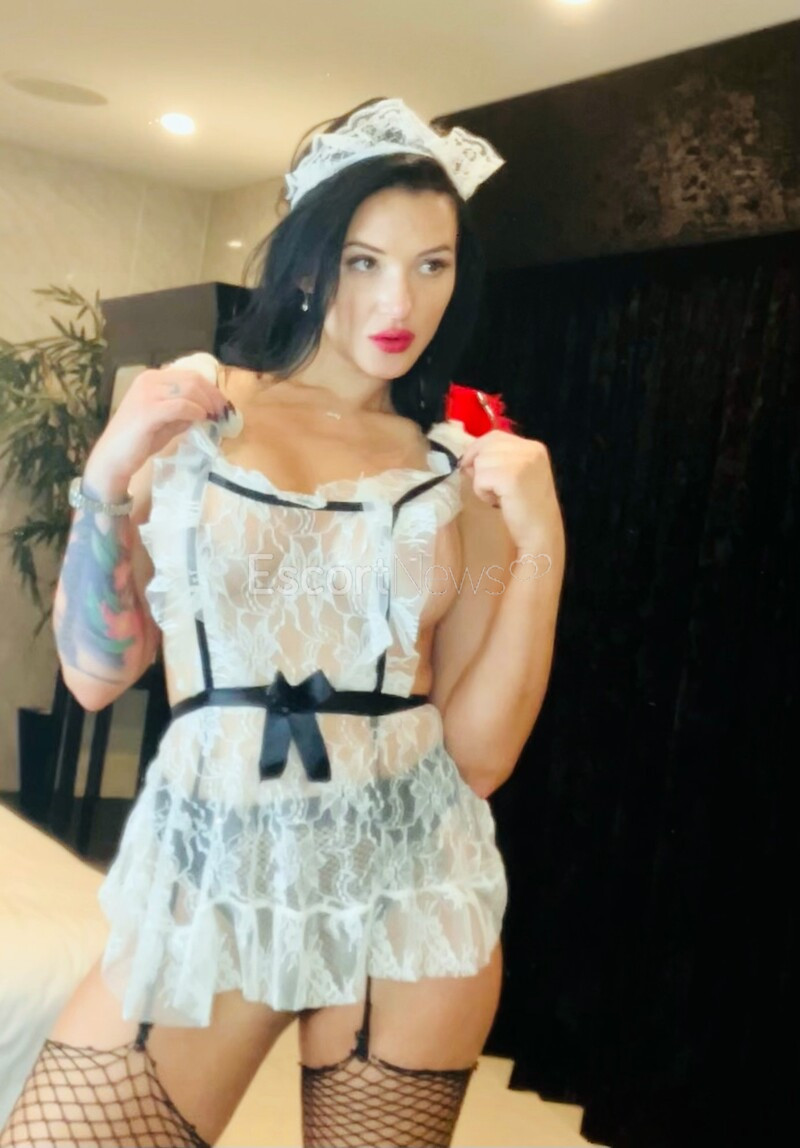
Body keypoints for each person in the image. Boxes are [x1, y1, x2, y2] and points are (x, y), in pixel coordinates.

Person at [1, 96, 566, 1148]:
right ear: (307, 262)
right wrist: (107, 476)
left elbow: (479, 757)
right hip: (216, 865)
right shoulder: (197, 410)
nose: (400, 299)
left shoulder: (456, 463)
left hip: (410, 875)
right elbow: (95, 672)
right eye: (363, 261)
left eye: (432, 265)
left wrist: (542, 544)